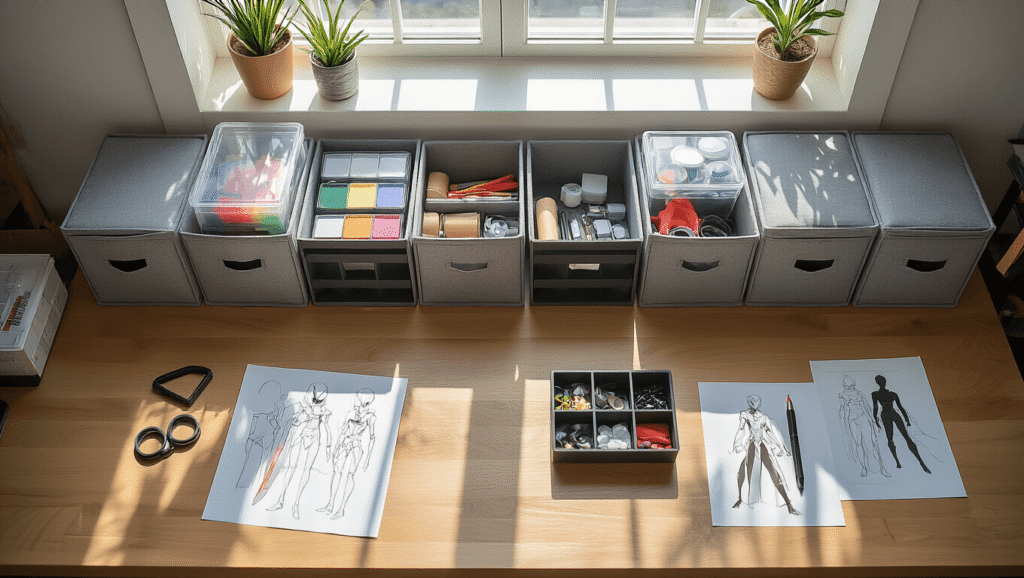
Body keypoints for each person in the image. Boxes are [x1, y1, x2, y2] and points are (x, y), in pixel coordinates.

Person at [267, 382, 333, 518]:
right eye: (314, 399)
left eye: (319, 401)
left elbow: (326, 428)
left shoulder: (324, 412)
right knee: (291, 467)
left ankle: (296, 503)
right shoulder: (304, 408)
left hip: (314, 438)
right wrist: (302, 415)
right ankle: (281, 500)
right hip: (301, 436)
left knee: (306, 469)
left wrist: (328, 446)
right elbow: (297, 422)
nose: (316, 403)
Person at [731, 394, 800, 515]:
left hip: (762, 445)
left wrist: (780, 447)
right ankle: (740, 499)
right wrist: (737, 444)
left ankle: (789, 504)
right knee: (743, 471)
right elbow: (741, 429)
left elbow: (771, 431)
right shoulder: (745, 414)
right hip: (752, 445)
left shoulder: (763, 417)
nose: (755, 405)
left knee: (774, 472)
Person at [319, 388, 376, 519]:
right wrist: (336, 447)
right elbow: (343, 432)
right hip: (344, 444)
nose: (356, 401)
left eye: (359, 399)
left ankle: (341, 508)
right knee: (337, 473)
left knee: (350, 475)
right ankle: (330, 504)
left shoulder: (371, 417)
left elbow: (372, 438)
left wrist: (368, 458)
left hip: (356, 447)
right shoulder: (351, 413)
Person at [872, 375, 931, 474]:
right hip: (891, 413)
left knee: (894, 438)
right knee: (898, 437)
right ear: (884, 382)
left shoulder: (877, 394)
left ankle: (907, 462)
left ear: (877, 383)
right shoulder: (892, 394)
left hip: (887, 414)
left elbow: (876, 408)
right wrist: (906, 419)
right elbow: (899, 407)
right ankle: (915, 463)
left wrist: (876, 419)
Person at [838, 375, 890, 478]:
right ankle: (864, 468)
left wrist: (874, 422)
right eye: (848, 386)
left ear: (854, 384)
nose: (850, 388)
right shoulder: (842, 395)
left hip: (863, 418)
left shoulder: (860, 394)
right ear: (844, 385)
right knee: (858, 444)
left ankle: (882, 468)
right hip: (852, 420)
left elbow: (867, 408)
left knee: (873, 443)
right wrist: (844, 425)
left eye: (852, 385)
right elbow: (842, 411)